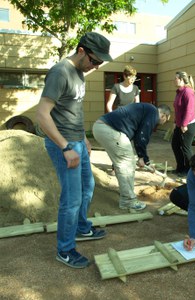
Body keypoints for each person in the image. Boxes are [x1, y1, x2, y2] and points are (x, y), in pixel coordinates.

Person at [36, 32, 113, 269]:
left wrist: (83, 140)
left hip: (76, 141)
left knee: (88, 186)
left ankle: (81, 228)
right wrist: (66, 147)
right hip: (62, 144)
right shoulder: (60, 72)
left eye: (100, 62)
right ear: (81, 51)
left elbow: (73, 111)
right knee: (71, 199)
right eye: (94, 60)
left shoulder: (80, 73)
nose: (96, 66)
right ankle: (65, 249)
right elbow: (41, 114)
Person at [92, 103, 171, 210]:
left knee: (123, 162)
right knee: (127, 164)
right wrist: (142, 157)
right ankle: (128, 201)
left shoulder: (146, 110)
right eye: (165, 120)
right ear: (163, 115)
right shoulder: (153, 112)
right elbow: (142, 136)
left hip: (101, 127)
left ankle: (126, 195)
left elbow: (136, 136)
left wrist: (144, 160)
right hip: (109, 129)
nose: (162, 123)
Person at [171, 71, 195, 176]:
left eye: (176, 78)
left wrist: (184, 124)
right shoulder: (179, 92)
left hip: (189, 124)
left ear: (182, 80)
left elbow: (189, 110)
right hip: (180, 124)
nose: (174, 80)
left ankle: (190, 171)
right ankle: (180, 168)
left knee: (185, 148)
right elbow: (178, 110)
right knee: (175, 145)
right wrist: (175, 122)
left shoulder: (188, 92)